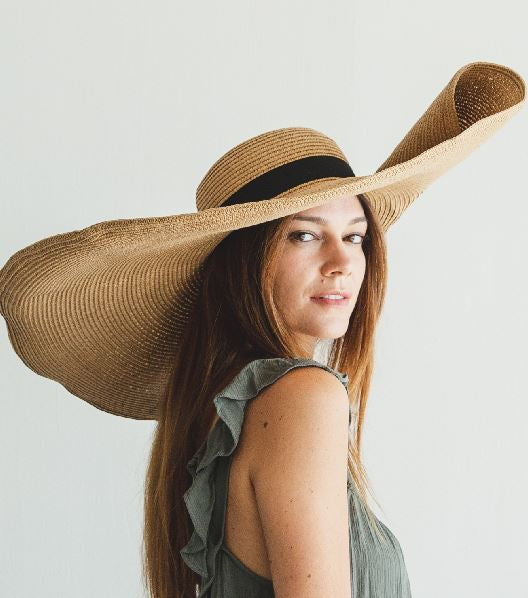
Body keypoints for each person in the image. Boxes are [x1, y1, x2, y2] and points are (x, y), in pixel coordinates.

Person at [0, 61, 525, 598]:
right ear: (246, 261)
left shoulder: (222, 408)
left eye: (356, 235)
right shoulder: (302, 396)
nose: (341, 262)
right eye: (303, 235)